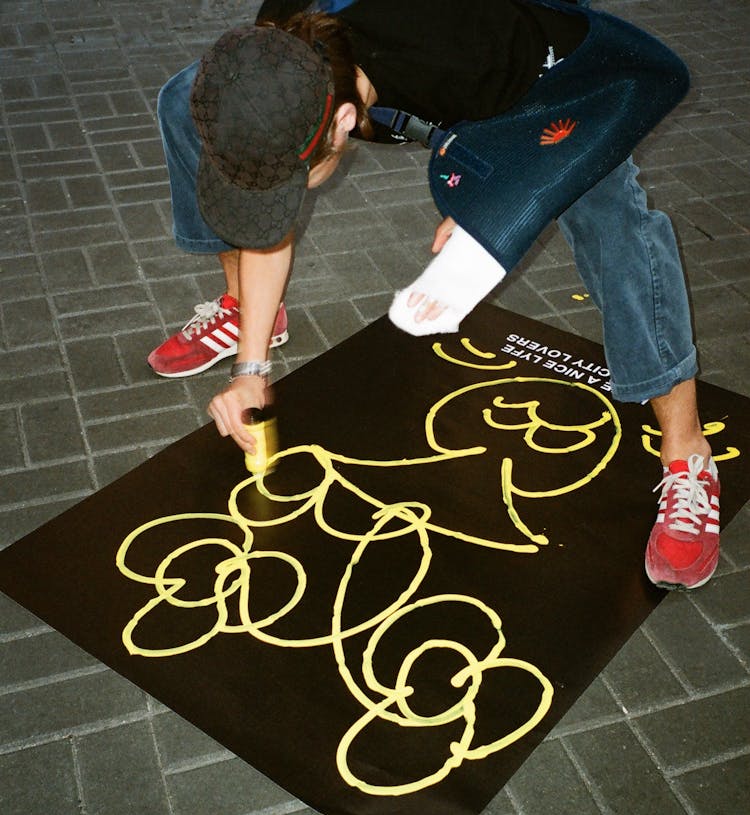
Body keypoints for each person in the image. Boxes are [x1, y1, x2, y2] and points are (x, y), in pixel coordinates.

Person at [150, 0, 720, 591]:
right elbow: (267, 176)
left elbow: (570, 134)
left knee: (609, 211)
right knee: (183, 97)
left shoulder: (473, 49)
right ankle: (248, 313)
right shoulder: (274, 47)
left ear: (345, 119)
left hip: (544, 72)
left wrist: (492, 213)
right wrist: (251, 366)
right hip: (424, 66)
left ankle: (687, 453)